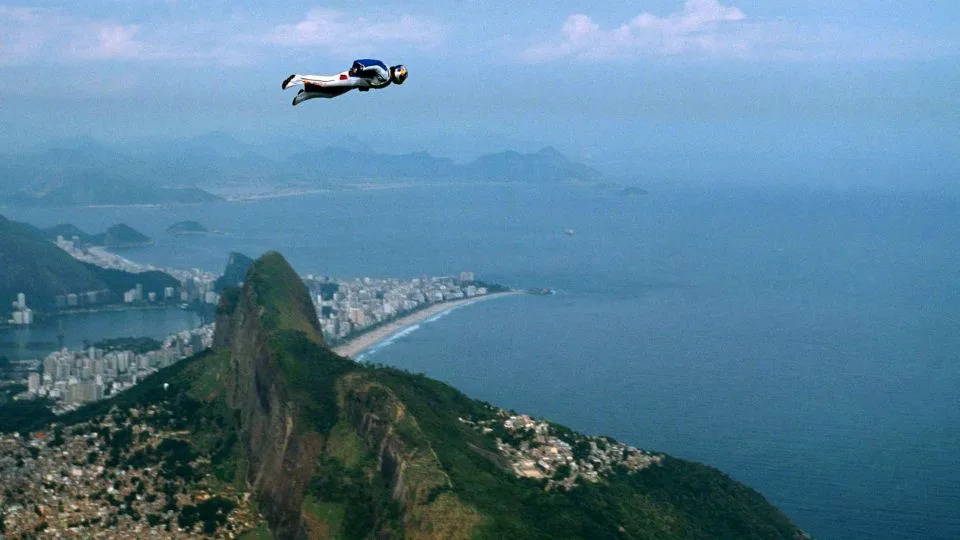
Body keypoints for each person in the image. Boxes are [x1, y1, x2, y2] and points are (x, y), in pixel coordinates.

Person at [282, 59, 408, 105]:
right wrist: (359, 67)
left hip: (353, 84)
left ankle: (305, 94)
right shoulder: (385, 71)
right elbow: (374, 64)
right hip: (351, 77)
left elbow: (371, 81)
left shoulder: (387, 81)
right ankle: (297, 78)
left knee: (331, 94)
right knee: (327, 82)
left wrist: (365, 87)